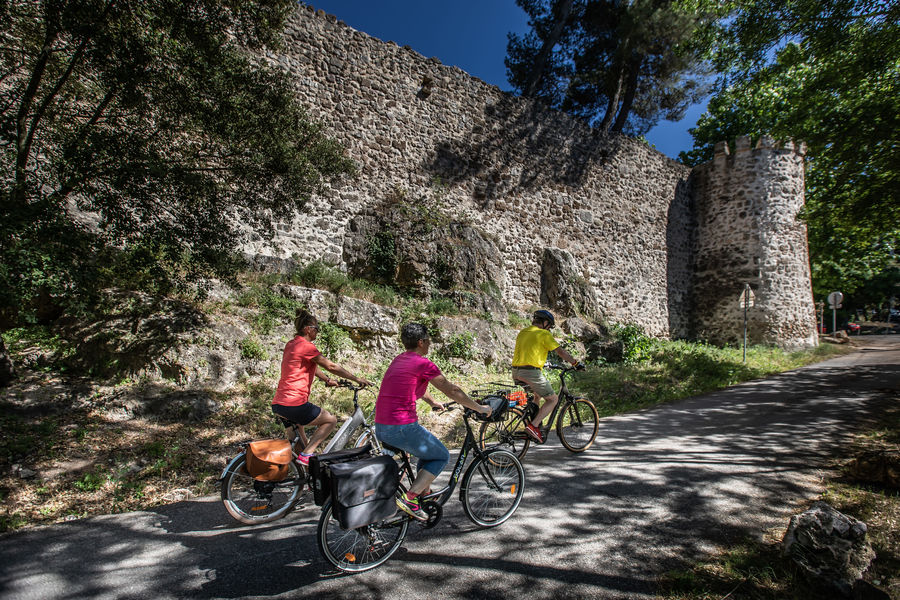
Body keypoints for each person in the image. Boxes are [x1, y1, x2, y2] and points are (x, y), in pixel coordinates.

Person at [375, 322, 491, 521]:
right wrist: (479, 408)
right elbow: (452, 390)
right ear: (421, 342)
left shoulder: (399, 360)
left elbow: (413, 386)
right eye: (429, 340)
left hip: (382, 426)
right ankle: (411, 499)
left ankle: (424, 494)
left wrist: (433, 402)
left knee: (427, 452)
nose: (430, 344)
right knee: (441, 456)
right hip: (401, 426)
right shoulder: (423, 364)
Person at [272, 309, 373, 466]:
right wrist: (356, 378)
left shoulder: (291, 344)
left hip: (279, 403)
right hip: (294, 402)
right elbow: (330, 365)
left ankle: (306, 477)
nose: (317, 332)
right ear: (308, 329)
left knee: (301, 440)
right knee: (330, 420)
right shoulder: (306, 346)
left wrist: (327, 379)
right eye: (316, 329)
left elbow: (312, 366)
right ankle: (306, 455)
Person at [511, 309, 582, 444]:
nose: (549, 328)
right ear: (544, 323)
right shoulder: (543, 334)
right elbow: (560, 351)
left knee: (537, 396)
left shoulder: (522, 332)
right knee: (553, 399)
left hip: (516, 372)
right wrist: (575, 363)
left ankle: (533, 421)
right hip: (531, 373)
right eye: (549, 325)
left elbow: (530, 351)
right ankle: (533, 426)